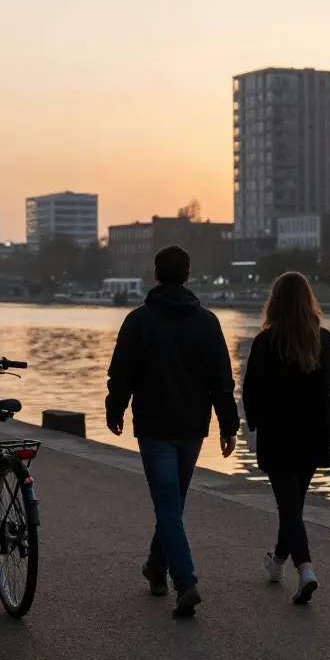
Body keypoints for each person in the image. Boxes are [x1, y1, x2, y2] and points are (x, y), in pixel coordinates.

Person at [105, 245, 239, 617]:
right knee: (172, 505)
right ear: (188, 276)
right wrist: (229, 425)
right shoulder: (208, 323)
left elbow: (122, 372)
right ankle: (155, 568)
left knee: (168, 507)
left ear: (155, 275)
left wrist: (115, 408)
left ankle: (185, 582)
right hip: (192, 427)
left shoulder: (138, 321)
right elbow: (221, 381)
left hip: (153, 426)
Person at [242, 271, 330, 604]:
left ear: (275, 301)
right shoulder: (321, 339)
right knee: (293, 505)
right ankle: (277, 563)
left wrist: (252, 424)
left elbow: (251, 392)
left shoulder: (266, 342)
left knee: (290, 506)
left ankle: (306, 569)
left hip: (278, 435)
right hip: (312, 436)